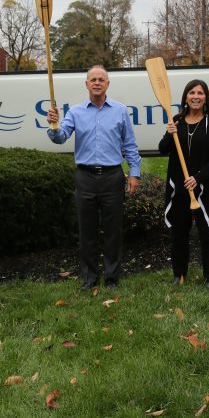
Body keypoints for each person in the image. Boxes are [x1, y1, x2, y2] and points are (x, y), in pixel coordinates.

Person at [47, 65, 141, 290]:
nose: (97, 82)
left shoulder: (119, 111)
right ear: (86, 84)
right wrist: (54, 125)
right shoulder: (75, 112)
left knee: (112, 231)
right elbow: (60, 138)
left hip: (112, 177)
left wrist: (134, 173)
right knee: (87, 231)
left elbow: (129, 144)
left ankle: (111, 278)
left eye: (101, 79)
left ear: (107, 84)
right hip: (85, 177)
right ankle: (90, 278)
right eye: (93, 79)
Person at [159, 79, 209, 286]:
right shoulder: (177, 120)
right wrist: (170, 134)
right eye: (191, 92)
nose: (196, 96)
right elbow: (162, 149)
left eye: (200, 93)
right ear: (186, 97)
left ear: (206, 98)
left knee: (208, 232)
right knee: (179, 234)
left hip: (204, 187)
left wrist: (198, 178)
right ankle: (179, 274)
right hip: (180, 187)